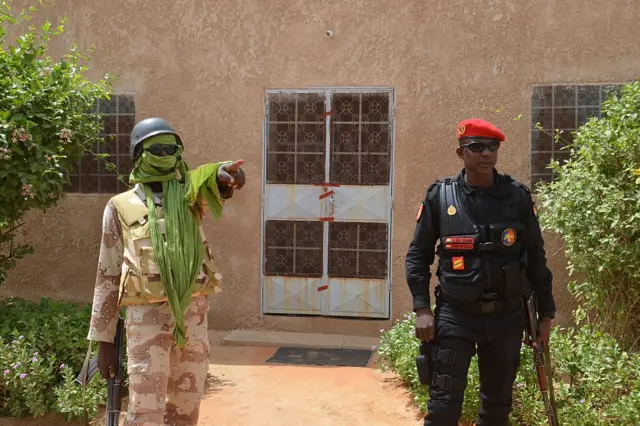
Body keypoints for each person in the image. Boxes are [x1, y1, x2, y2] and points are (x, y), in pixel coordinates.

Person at [86, 117, 245, 426]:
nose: (166, 153)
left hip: (192, 320)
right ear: (138, 153)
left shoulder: (190, 196)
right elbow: (107, 275)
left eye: (172, 147)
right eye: (157, 147)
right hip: (146, 321)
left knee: (186, 409)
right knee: (145, 412)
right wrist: (104, 340)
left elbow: (214, 178)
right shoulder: (120, 206)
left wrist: (229, 176)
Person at [405, 118, 555, 426]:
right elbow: (417, 256)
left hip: (507, 318)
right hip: (455, 315)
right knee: (443, 408)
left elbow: (536, 258)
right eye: (476, 147)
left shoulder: (517, 197)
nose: (486, 154)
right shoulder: (440, 196)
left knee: (497, 408)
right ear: (461, 153)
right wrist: (422, 308)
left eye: (492, 147)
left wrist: (546, 315)